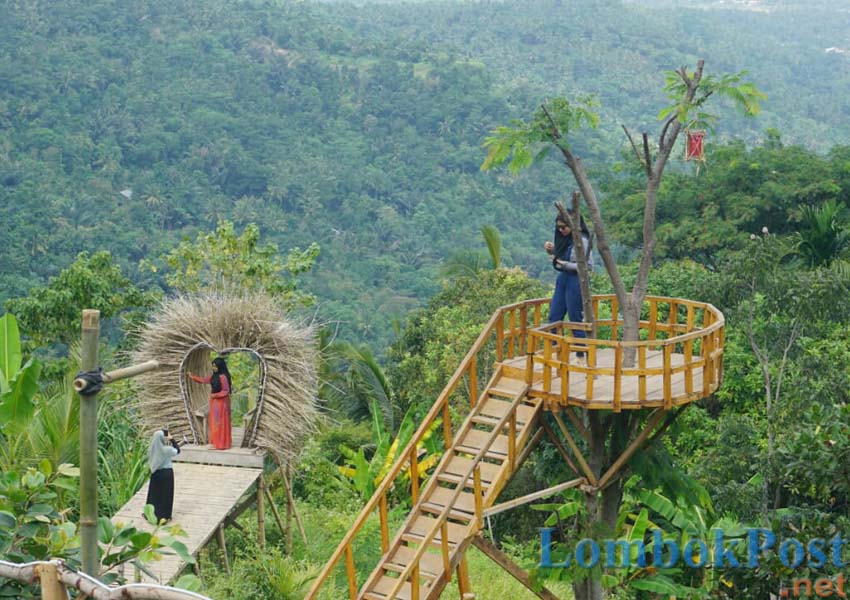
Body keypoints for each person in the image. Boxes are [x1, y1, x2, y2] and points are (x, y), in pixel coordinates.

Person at [544, 212, 593, 365]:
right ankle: (554, 351)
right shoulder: (564, 239)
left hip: (576, 280)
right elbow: (561, 256)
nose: (561, 230)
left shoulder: (582, 241)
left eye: (564, 227)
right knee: (554, 316)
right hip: (563, 279)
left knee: (575, 317)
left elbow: (588, 266)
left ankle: (580, 354)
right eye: (558, 227)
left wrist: (565, 264)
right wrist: (552, 251)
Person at [189, 357, 232, 450]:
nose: (214, 368)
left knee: (220, 423)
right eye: (213, 366)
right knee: (215, 422)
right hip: (215, 402)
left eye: (215, 367)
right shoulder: (214, 376)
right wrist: (192, 377)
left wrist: (215, 395)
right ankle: (216, 443)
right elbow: (204, 380)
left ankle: (221, 444)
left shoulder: (223, 377)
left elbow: (226, 391)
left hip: (222, 403)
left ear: (220, 367)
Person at [145, 428, 180, 522]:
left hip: (155, 473)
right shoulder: (166, 449)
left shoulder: (151, 449)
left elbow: (149, 457)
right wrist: (172, 439)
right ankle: (164, 516)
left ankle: (150, 514)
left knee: (153, 495)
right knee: (166, 495)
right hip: (166, 474)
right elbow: (178, 450)